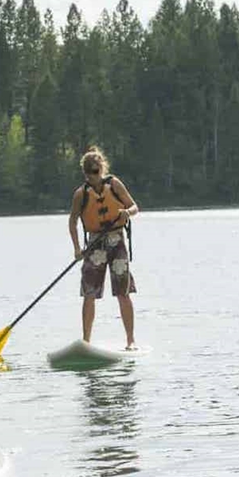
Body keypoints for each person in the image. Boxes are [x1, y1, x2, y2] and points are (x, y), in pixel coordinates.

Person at [67, 146, 139, 350]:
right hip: (95, 244)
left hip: (116, 241)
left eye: (96, 171)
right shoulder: (81, 194)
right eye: (89, 173)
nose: (93, 176)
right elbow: (72, 221)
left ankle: (130, 340)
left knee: (123, 292)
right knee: (89, 292)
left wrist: (127, 212)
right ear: (85, 173)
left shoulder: (114, 184)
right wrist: (77, 248)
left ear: (102, 169)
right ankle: (86, 342)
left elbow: (134, 206)